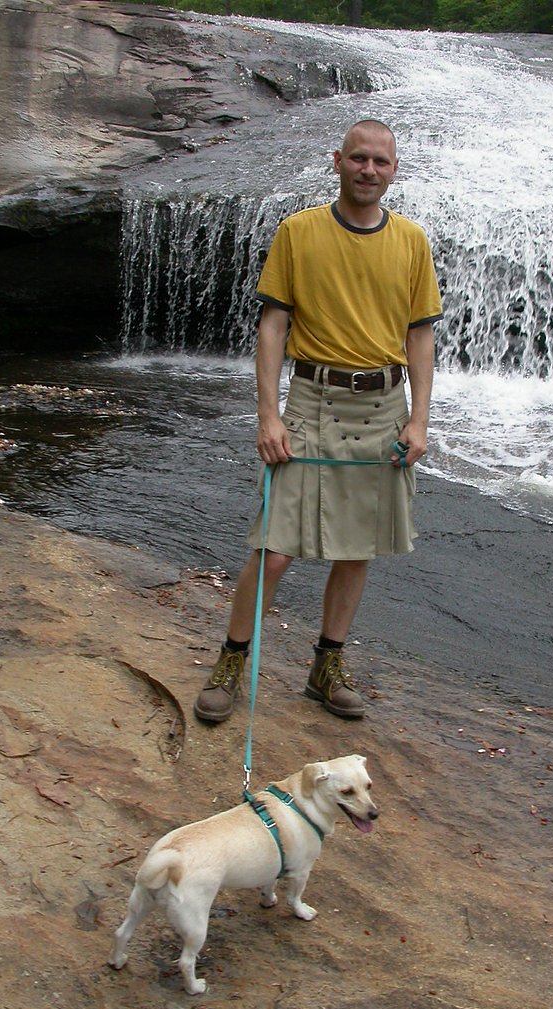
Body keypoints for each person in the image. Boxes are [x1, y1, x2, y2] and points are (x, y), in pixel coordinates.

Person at [194, 118, 443, 724]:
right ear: (337, 162)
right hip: (312, 403)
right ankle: (232, 660)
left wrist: (419, 420)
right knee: (274, 548)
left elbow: (420, 335)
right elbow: (272, 325)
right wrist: (268, 414)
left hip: (383, 409)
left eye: (380, 162)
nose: (368, 170)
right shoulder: (298, 231)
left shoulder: (411, 241)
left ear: (394, 170)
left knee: (357, 549)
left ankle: (325, 666)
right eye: (359, 159)